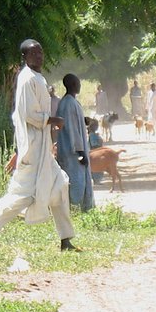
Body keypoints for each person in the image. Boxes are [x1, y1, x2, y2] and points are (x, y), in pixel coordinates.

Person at [0, 39, 79, 252]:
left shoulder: (38, 77)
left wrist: (49, 126)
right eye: (34, 53)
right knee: (24, 195)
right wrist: (51, 120)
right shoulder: (26, 79)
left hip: (43, 148)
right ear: (25, 57)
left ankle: (66, 240)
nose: (39, 56)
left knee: (60, 186)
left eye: (41, 52)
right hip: (32, 147)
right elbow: (28, 114)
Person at [56, 73, 95, 211]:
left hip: (73, 150)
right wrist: (80, 152)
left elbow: (73, 122)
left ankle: (79, 208)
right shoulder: (68, 103)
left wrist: (83, 120)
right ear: (73, 85)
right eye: (78, 83)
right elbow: (72, 130)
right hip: (72, 152)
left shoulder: (71, 102)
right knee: (75, 181)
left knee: (79, 179)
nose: (79, 85)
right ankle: (74, 209)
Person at [87, 118, 104, 185]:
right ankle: (96, 180)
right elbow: (94, 145)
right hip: (95, 153)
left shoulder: (93, 134)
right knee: (97, 167)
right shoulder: (92, 135)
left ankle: (96, 180)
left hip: (94, 153)